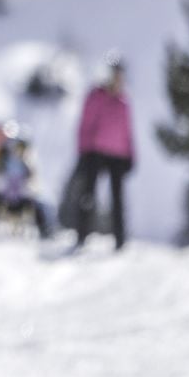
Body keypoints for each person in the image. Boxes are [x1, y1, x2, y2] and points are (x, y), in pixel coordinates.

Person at [69, 51, 134, 250]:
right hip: (95, 152)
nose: (117, 79)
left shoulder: (123, 102)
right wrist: (83, 152)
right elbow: (85, 125)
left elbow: (128, 132)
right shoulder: (96, 97)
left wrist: (130, 156)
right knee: (88, 196)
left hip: (118, 155)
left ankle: (120, 240)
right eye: (115, 74)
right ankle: (81, 236)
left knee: (118, 199)